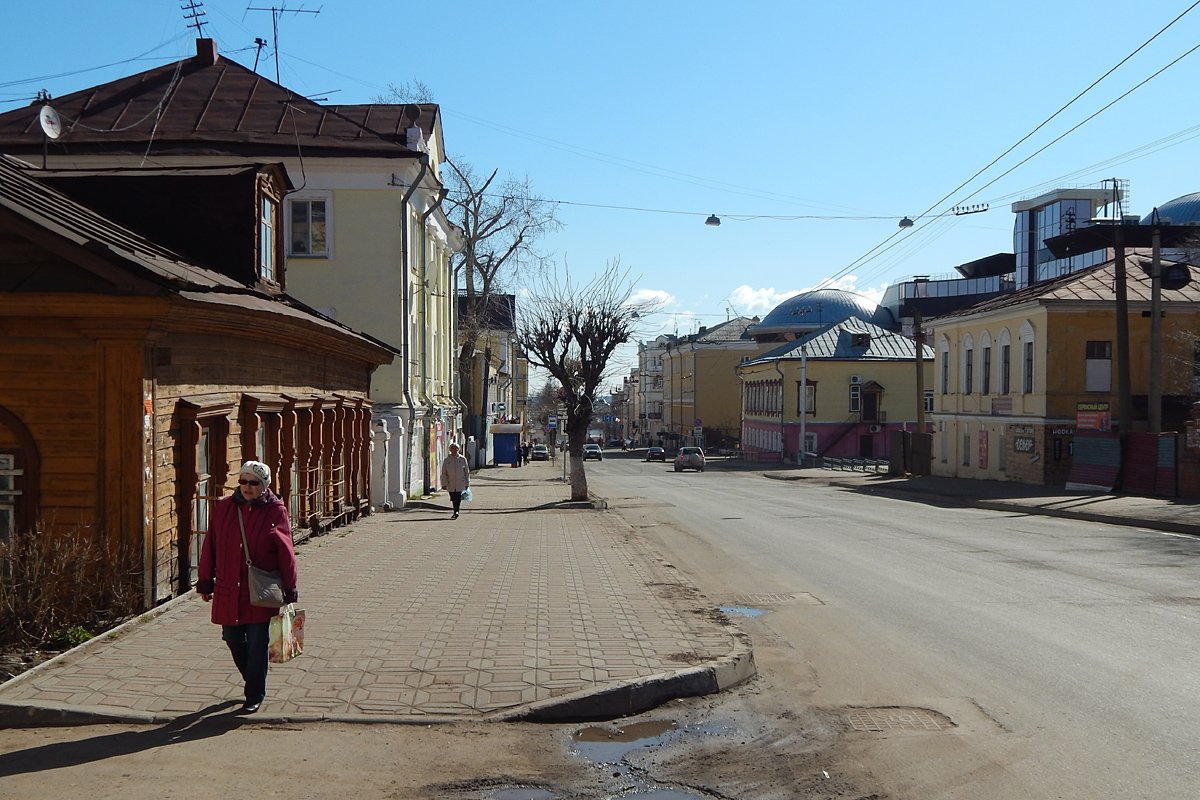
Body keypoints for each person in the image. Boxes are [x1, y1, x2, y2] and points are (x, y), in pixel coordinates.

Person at [196, 460, 298, 714]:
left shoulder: (275, 511)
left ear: (264, 485)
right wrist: (205, 580)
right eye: (243, 481)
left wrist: (290, 588)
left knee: (257, 642)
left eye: (254, 483)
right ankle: (254, 677)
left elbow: (286, 553)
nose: (247, 487)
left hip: (260, 591)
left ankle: (254, 693)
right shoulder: (223, 508)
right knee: (231, 637)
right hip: (229, 588)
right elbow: (211, 545)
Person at [440, 442, 471, 519]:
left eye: (456, 449)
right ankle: (455, 510)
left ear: (458, 449)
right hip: (451, 483)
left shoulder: (462, 459)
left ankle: (456, 511)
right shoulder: (447, 460)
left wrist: (467, 483)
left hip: (460, 482)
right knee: (453, 497)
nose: (454, 450)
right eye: (453, 448)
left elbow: (466, 472)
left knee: (458, 497)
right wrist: (444, 483)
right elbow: (444, 473)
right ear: (450, 450)